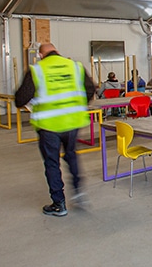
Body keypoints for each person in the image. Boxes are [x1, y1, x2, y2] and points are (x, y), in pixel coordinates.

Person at [15, 43, 95, 217]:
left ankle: (59, 204)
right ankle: (78, 192)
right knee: (71, 155)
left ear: (40, 55)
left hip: (48, 125)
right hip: (73, 122)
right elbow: (90, 90)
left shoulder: (37, 70)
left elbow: (20, 99)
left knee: (52, 163)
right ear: (57, 51)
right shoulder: (75, 67)